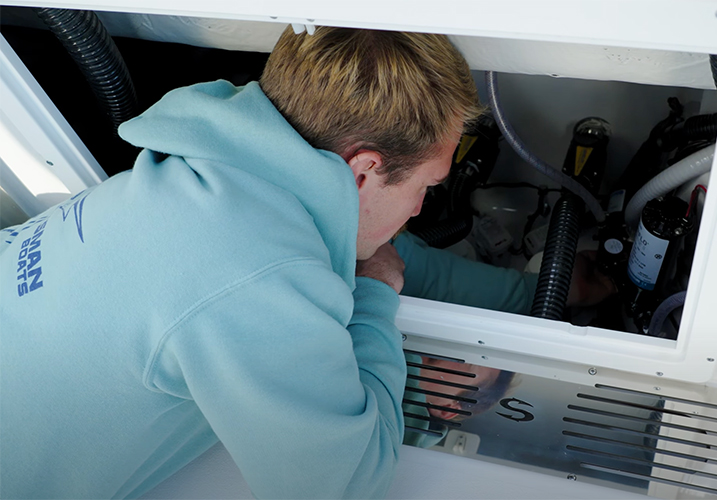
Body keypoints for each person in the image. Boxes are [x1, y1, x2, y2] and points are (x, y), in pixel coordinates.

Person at [0, 25, 613, 499]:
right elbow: (340, 487)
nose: (426, 206)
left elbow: (382, 252)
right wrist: (375, 304)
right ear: (366, 169)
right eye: (428, 185)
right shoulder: (252, 275)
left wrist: (531, 296)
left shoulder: (212, 170)